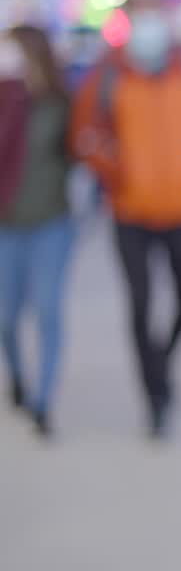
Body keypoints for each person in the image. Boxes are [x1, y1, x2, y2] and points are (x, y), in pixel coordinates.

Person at [69, 0, 181, 438]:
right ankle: (155, 396)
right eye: (139, 16)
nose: (148, 25)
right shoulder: (108, 73)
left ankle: (161, 360)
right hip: (130, 211)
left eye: (153, 15)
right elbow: (84, 131)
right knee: (141, 304)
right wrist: (114, 169)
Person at [0, 25, 75, 438]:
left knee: (48, 311)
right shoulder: (4, 99)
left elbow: (77, 150)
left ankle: (43, 402)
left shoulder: (59, 102)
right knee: (6, 318)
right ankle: (16, 376)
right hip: (7, 224)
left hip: (51, 221)